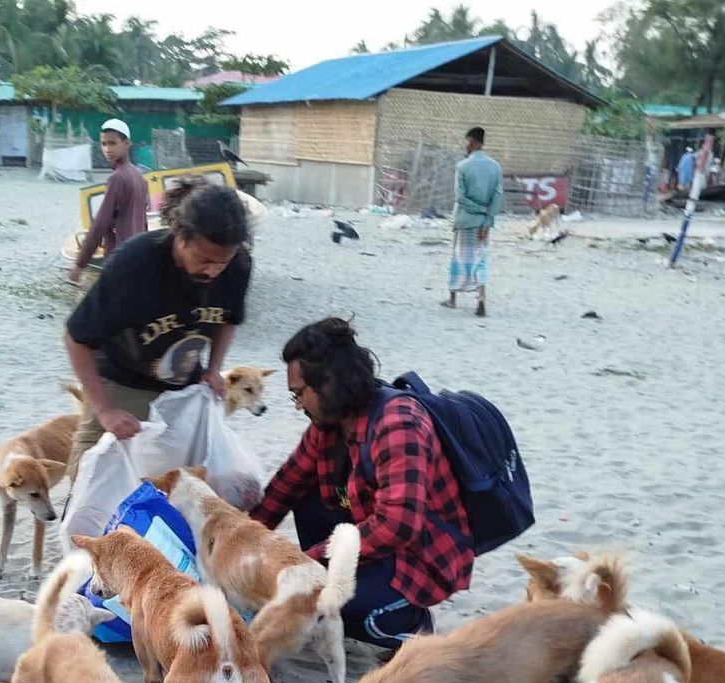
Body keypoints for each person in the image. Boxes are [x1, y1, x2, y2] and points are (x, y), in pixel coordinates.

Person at [249, 318, 473, 650]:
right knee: (304, 493)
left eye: (299, 394)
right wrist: (239, 544)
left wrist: (306, 562)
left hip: (417, 558)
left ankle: (412, 625)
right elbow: (284, 486)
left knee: (343, 608)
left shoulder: (398, 423)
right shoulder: (329, 424)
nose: (298, 406)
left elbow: (398, 525)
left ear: (329, 383)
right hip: (364, 537)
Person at [63, 181, 252, 475]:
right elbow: (76, 337)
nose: (213, 271)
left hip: (182, 390)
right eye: (203, 259)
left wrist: (214, 368)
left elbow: (229, 319)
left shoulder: (238, 265)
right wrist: (104, 410)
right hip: (121, 381)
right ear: (180, 235)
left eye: (221, 262)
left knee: (177, 481)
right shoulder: (135, 264)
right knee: (92, 477)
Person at [67, 117, 147, 283]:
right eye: (104, 144)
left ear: (126, 143)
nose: (107, 149)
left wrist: (80, 264)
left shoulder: (117, 178)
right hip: (138, 257)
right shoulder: (139, 176)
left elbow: (100, 225)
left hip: (119, 259)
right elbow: (143, 223)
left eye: (112, 143)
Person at [445, 125, 501, 317]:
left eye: (467, 142)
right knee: (480, 261)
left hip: (464, 220)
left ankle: (452, 299)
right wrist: (487, 219)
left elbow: (460, 197)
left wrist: (478, 210)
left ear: (472, 142)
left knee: (458, 259)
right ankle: (481, 298)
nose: (466, 145)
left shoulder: (463, 166)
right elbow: (497, 196)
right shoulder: (495, 166)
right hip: (483, 224)